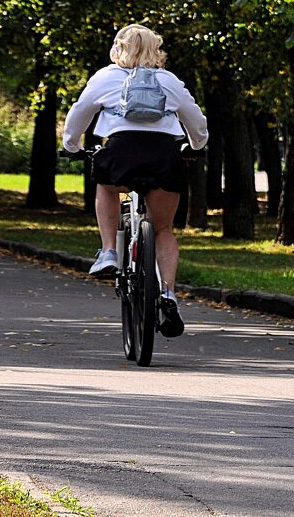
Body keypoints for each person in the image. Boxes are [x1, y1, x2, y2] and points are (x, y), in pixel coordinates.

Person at [62, 24, 209, 337]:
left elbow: (79, 114)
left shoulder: (104, 77)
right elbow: (195, 121)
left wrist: (71, 146)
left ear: (119, 48)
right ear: (156, 49)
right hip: (163, 155)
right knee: (164, 229)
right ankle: (168, 293)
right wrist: (196, 147)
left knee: (105, 184)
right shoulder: (169, 81)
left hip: (121, 151)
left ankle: (108, 253)